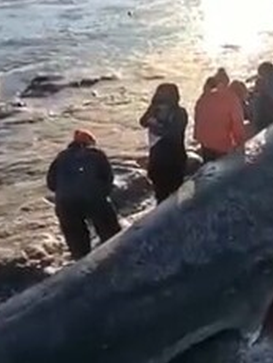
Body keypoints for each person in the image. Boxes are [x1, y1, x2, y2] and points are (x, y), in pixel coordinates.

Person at [46, 129, 121, 260]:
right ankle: (118, 261)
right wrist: (101, 195)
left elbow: (51, 184)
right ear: (90, 142)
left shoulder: (61, 157)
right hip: (93, 199)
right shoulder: (97, 154)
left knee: (78, 248)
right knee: (113, 239)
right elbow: (108, 179)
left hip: (66, 204)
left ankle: (82, 268)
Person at [139, 83, 188, 202]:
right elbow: (142, 122)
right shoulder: (158, 110)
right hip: (164, 161)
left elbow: (171, 132)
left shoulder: (178, 113)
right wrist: (153, 110)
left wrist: (155, 123)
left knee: (167, 195)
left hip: (167, 160)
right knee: (167, 195)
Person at [194, 75, 246, 161]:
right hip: (220, 144)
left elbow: (198, 113)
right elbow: (237, 126)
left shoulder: (209, 95)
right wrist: (241, 146)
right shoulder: (233, 100)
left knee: (209, 166)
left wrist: (197, 136)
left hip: (204, 139)